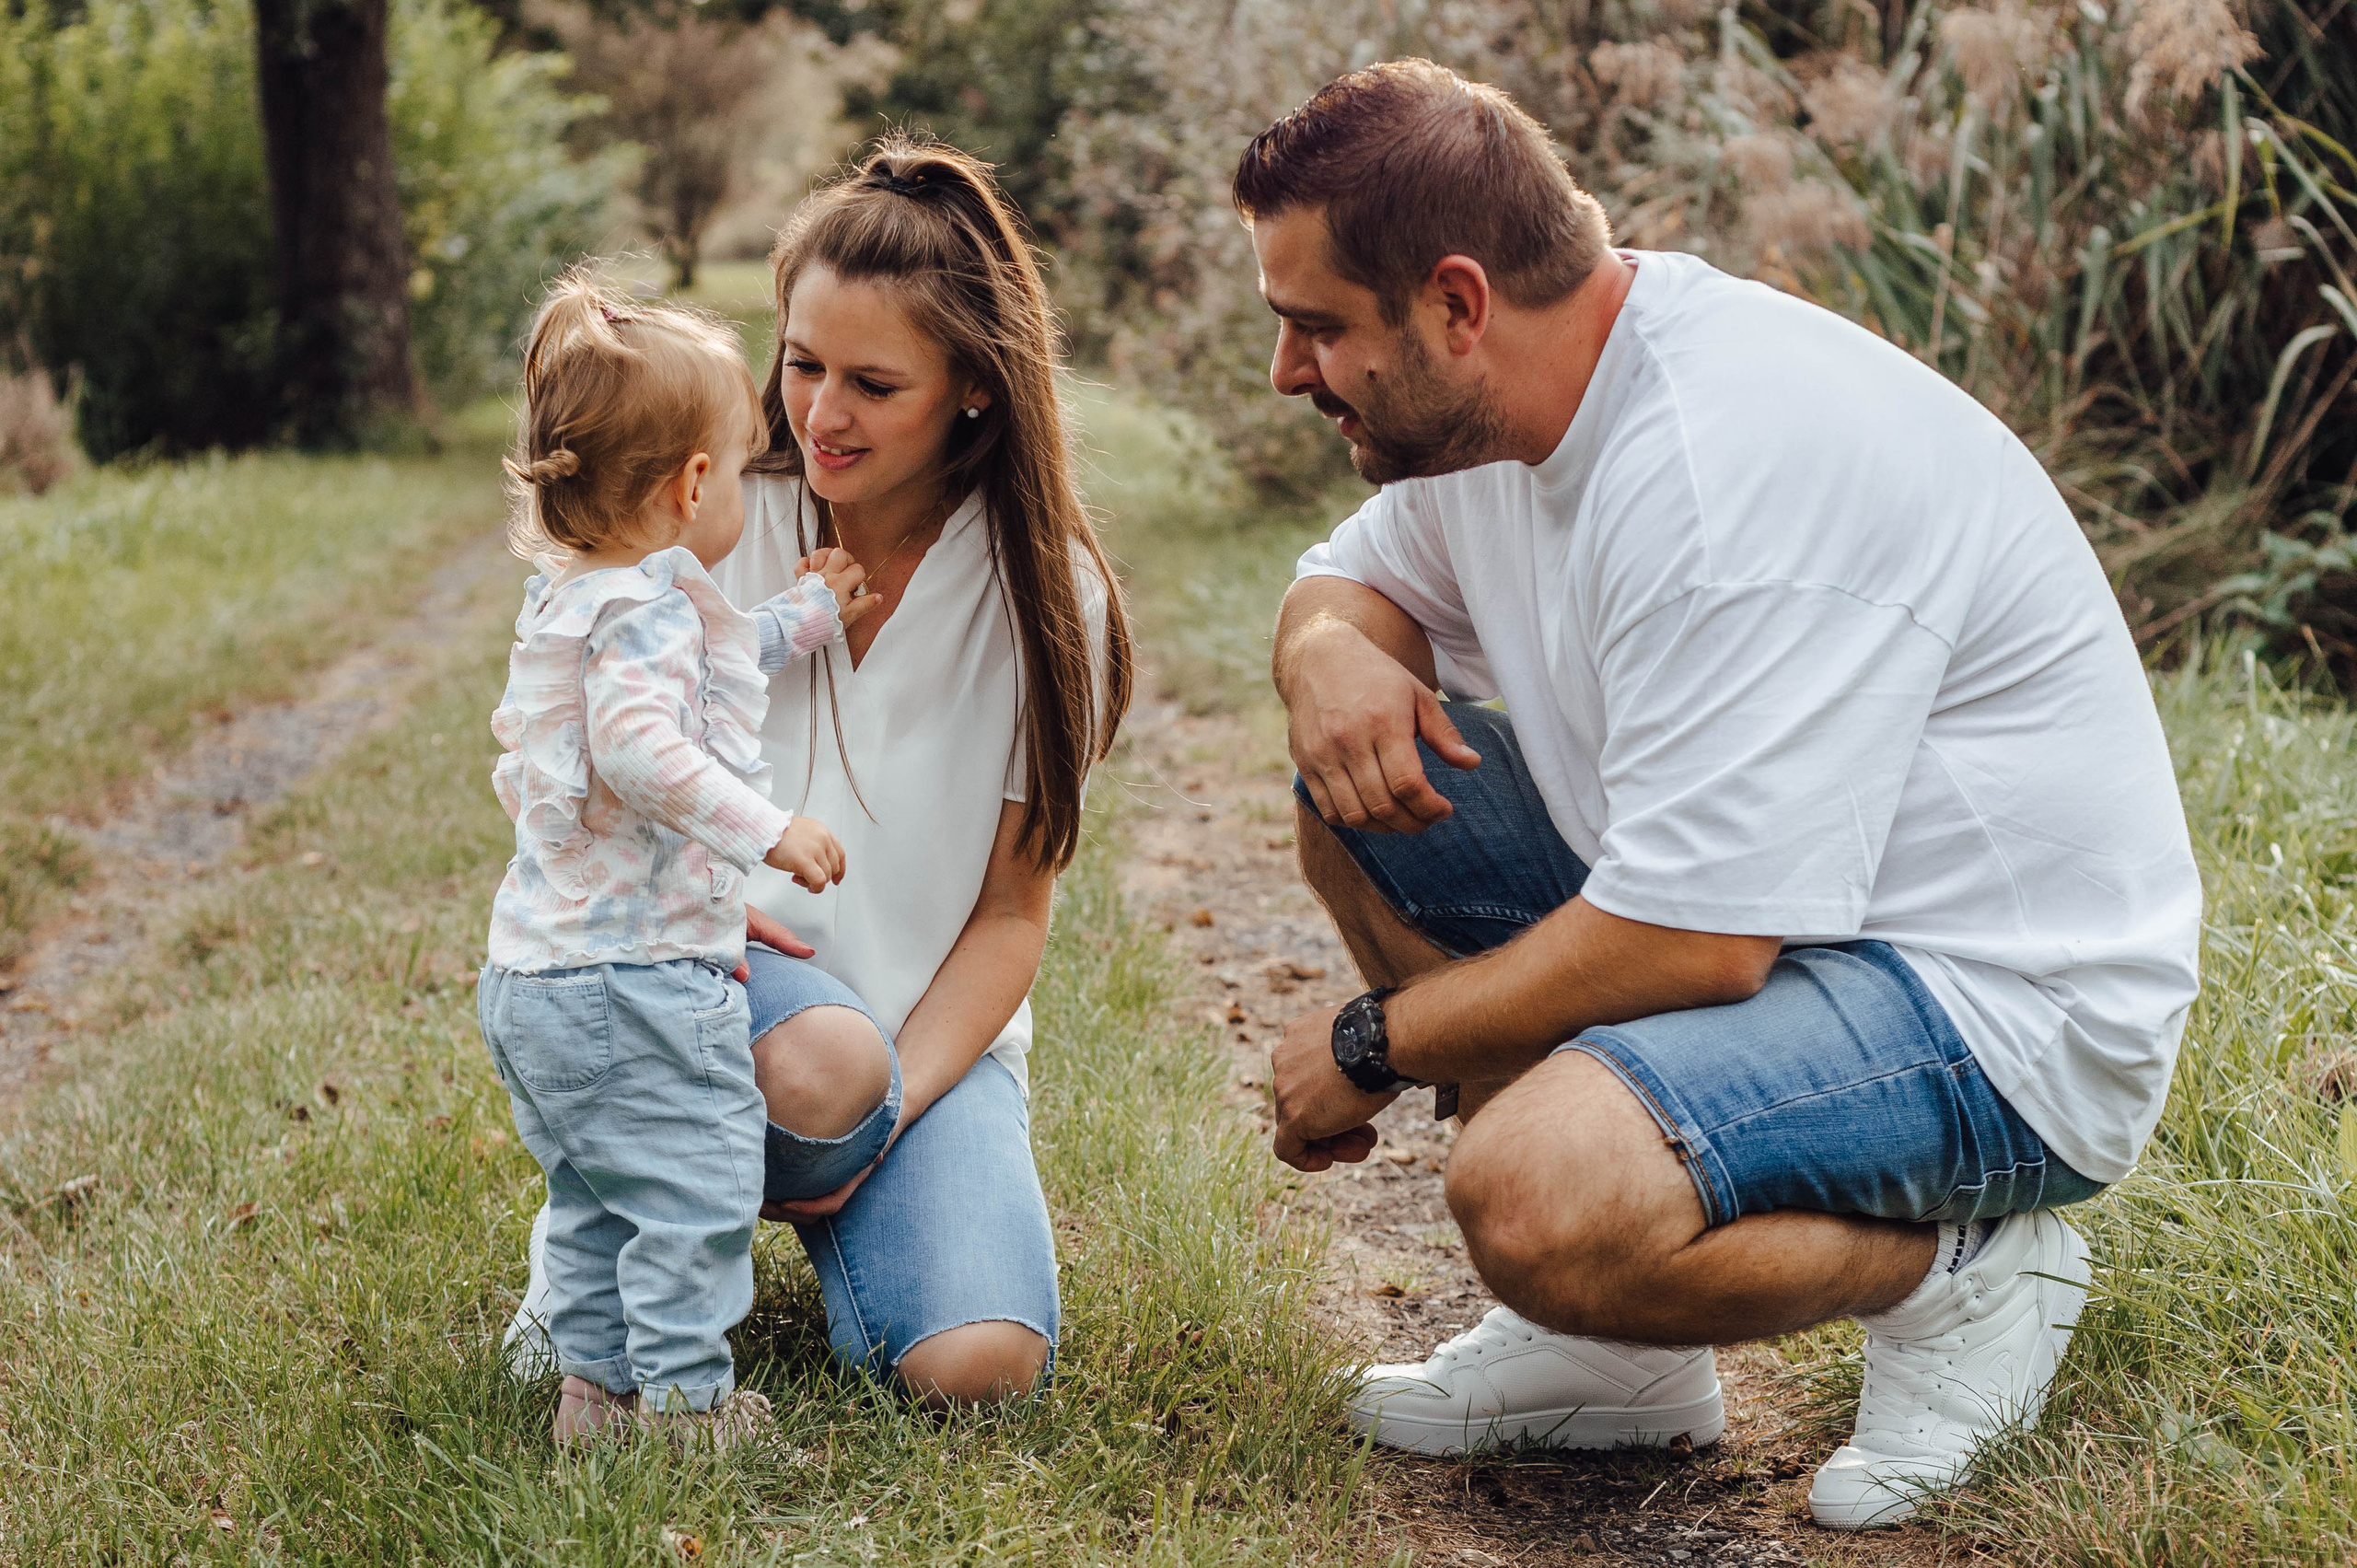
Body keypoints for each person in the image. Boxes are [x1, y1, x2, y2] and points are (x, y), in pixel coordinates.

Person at [1247, 61, 2200, 1529]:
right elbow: (1350, 577)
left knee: (1532, 1193)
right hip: (1790, 932)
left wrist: (1373, 1041)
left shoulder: (1716, 470)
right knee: (1356, 792)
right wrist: (1327, 656)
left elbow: (1693, 946)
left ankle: (1967, 1272)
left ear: (1456, 301)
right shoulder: (1496, 411)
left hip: (1997, 1011)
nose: (1288, 373)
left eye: (1315, 328)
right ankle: (1611, 1357)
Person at [507, 135, 1134, 1409]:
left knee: (981, 1366)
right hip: (704, 1000)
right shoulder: (704, 520)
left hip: (908, 1050)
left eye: (873, 382)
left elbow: (1014, 914)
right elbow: (582, 766)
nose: (819, 413)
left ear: (972, 386)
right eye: (800, 364)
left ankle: (787, 1183)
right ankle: (624, 1244)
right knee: (812, 1063)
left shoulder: (1052, 597)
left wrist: (884, 1126)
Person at [478, 273, 882, 1444]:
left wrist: (801, 621)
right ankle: (686, 1405)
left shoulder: (585, 598)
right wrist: (769, 826)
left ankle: (594, 1396)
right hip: (640, 981)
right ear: (695, 485)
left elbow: (706, 660)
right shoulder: (642, 616)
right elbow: (645, 746)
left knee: (598, 1197)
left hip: (537, 982)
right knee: (692, 1191)